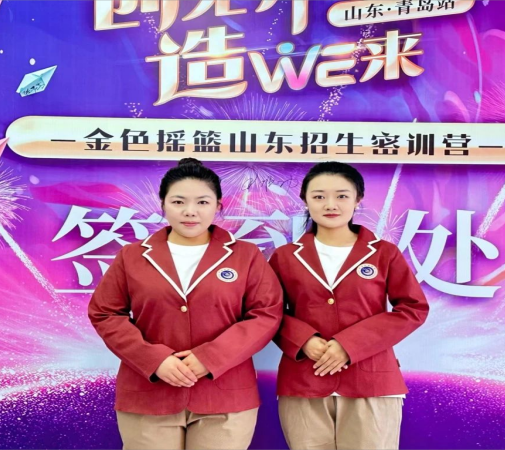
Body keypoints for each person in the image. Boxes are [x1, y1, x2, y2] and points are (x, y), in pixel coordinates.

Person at [88, 158, 283, 450]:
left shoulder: (246, 255)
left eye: (202, 202)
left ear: (218, 206)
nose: (190, 211)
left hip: (224, 395)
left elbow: (266, 314)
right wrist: (154, 360)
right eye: (178, 202)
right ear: (163, 205)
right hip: (149, 393)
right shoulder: (132, 256)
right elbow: (105, 313)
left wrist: (210, 357)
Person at [269, 161, 429, 450]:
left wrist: (350, 344)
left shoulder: (383, 253)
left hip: (371, 381)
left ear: (358, 200)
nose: (330, 204)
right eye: (319, 196)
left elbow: (412, 308)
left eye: (342, 196)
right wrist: (302, 340)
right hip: (305, 379)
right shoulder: (285, 257)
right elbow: (266, 313)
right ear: (305, 200)